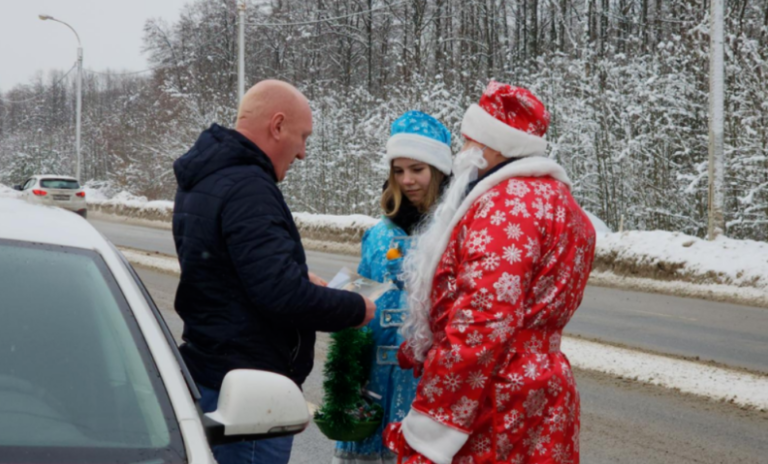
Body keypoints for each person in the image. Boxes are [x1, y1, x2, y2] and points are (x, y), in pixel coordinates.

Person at [384, 82, 596, 464]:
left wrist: (432, 424)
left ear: (491, 145)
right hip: (542, 388)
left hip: (496, 399)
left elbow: (482, 320)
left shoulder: (507, 206)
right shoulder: (562, 202)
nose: (464, 150)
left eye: (469, 140)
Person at [172, 79, 376, 464]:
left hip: (215, 372)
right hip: (253, 394)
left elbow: (232, 275)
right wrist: (355, 308)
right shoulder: (248, 187)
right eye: (302, 137)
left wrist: (298, 278)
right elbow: (280, 295)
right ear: (277, 125)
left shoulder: (209, 178)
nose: (302, 153)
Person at [333, 111, 453, 464]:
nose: (408, 180)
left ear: (439, 171)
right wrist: (339, 299)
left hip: (427, 387)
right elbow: (362, 293)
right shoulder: (378, 234)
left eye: (417, 169)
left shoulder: (455, 232)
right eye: (398, 171)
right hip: (374, 385)